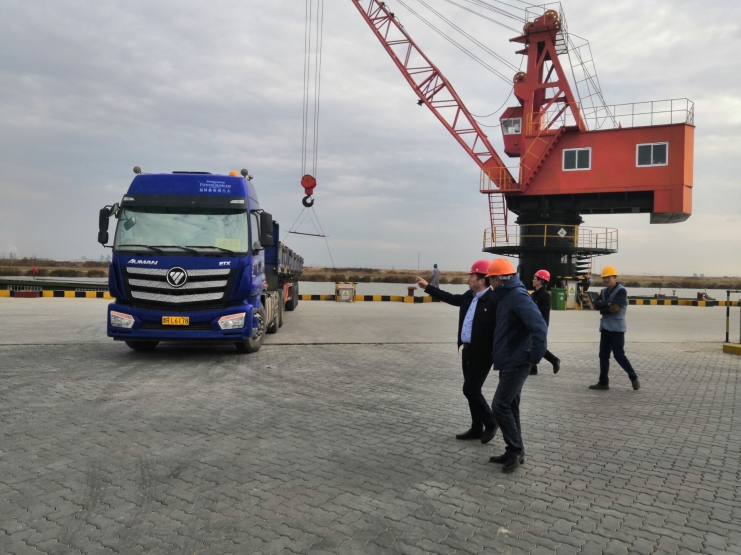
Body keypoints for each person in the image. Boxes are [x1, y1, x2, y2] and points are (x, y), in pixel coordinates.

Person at [416, 260, 498, 444]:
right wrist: (428, 287)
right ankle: (476, 428)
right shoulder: (469, 296)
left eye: (471, 275)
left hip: (483, 353)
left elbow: (500, 329)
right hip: (467, 351)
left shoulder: (493, 301)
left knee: (470, 389)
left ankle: (491, 422)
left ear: (482, 280)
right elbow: (451, 298)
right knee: (471, 391)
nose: (468, 278)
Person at [485, 258, 548, 473]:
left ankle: (516, 449)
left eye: (490, 278)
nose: (489, 282)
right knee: (510, 406)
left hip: (517, 361)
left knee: (500, 405)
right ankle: (514, 449)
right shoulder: (506, 296)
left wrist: (535, 357)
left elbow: (539, 327)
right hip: (508, 359)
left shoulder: (518, 296)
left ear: (498, 279)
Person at [590, 265, 640, 391]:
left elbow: (615, 308)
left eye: (609, 277)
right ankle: (603, 382)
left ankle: (633, 376)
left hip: (617, 329)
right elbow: (595, 305)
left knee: (619, 355)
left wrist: (603, 308)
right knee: (603, 355)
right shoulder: (603, 291)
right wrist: (606, 304)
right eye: (604, 278)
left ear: (615, 278)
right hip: (605, 328)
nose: (606, 280)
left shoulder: (621, 291)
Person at [529, 270, 561, 375]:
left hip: (540, 325)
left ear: (541, 281)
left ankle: (554, 360)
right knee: (531, 345)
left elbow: (543, 312)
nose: (533, 280)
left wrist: (532, 308)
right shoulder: (533, 294)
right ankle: (533, 368)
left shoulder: (545, 296)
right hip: (532, 324)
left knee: (538, 346)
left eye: (535, 278)